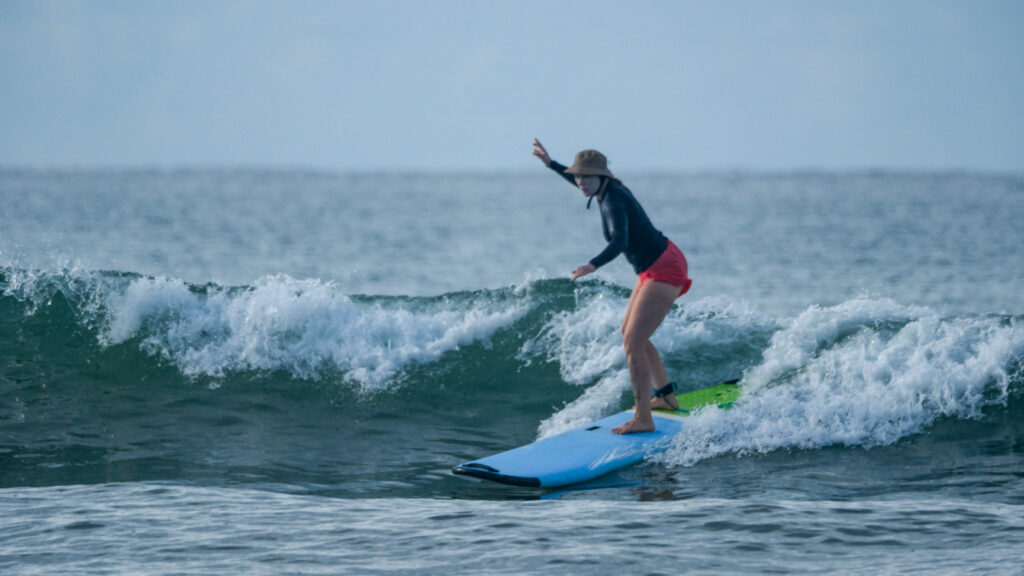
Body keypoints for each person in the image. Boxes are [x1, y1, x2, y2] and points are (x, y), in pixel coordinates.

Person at [532, 138, 693, 434]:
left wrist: (592, 264)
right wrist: (551, 164)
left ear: (601, 177)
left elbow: (621, 241)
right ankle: (666, 396)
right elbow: (577, 181)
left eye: (586, 176)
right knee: (631, 335)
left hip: (665, 267)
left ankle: (644, 418)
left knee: (633, 340)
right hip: (651, 267)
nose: (580, 181)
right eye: (578, 175)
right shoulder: (601, 188)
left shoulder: (614, 200)